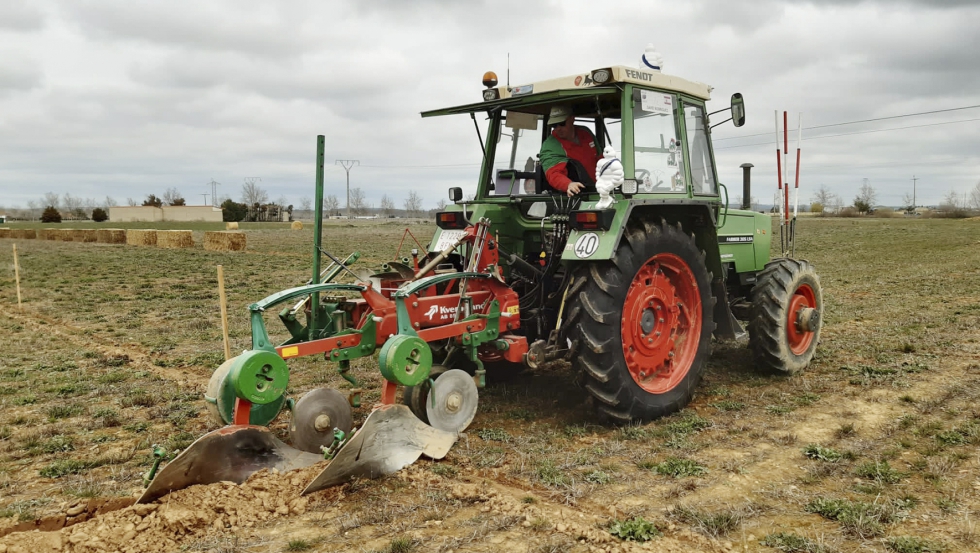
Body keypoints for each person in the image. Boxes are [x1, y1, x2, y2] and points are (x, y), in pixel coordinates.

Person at [539, 106, 602, 196]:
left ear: (572, 119)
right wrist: (568, 184)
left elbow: (601, 158)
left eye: (561, 123)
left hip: (601, 190)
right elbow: (553, 173)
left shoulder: (586, 132)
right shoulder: (550, 146)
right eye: (554, 125)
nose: (558, 128)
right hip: (578, 196)